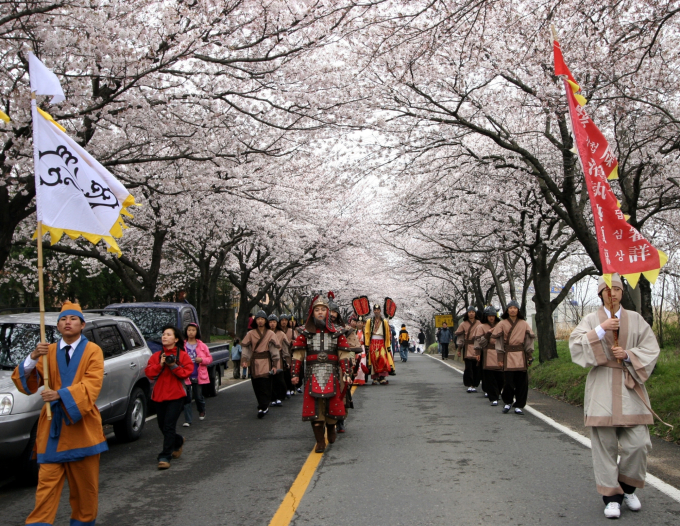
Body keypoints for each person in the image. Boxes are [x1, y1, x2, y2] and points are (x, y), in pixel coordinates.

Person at [569, 274, 659, 519]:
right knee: (604, 446)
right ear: (600, 294)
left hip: (630, 388)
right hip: (602, 386)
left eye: (616, 289)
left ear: (621, 292)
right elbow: (575, 347)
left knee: (638, 443)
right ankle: (611, 497)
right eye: (607, 290)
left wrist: (628, 354)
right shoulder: (590, 319)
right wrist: (600, 330)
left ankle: (627, 488)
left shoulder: (636, 320)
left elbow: (651, 348)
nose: (612, 293)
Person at [12, 301, 108, 526]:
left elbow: (92, 386)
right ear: (57, 326)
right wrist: (33, 356)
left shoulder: (93, 350)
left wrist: (61, 395)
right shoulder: (48, 352)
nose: (68, 322)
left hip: (82, 429)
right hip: (52, 431)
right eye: (63, 319)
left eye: (73, 319)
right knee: (45, 490)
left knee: (85, 492)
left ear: (82, 324)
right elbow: (27, 385)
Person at [291, 294, 352, 452]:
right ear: (312, 312)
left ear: (327, 312)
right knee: (315, 409)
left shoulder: (338, 332)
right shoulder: (305, 332)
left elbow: (344, 354)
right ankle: (319, 441)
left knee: (332, 407)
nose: (319, 312)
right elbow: (298, 355)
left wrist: (346, 373)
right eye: (316, 310)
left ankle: (331, 428)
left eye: (322, 310)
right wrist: (295, 374)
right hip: (312, 373)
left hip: (332, 373)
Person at [145, 325, 194, 469]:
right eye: (163, 334)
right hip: (159, 395)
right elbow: (149, 373)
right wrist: (160, 365)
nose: (164, 337)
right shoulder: (156, 356)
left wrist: (173, 365)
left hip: (176, 395)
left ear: (176, 339)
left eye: (168, 334)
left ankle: (165, 456)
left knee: (169, 425)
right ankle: (178, 441)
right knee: (162, 426)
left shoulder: (182, 355)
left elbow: (187, 372)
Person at [491, 300, 535, 415]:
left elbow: (528, 341)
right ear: (507, 310)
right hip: (508, 355)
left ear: (518, 310)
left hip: (521, 355)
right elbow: (499, 342)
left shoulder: (524, 323)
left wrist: (529, 356)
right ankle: (508, 402)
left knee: (522, 382)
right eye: (510, 308)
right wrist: (500, 358)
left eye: (515, 308)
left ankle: (519, 405)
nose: (513, 310)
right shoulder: (502, 323)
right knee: (508, 382)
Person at [240, 310, 281, 418]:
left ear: (265, 321)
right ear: (255, 321)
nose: (260, 321)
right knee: (256, 385)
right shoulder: (250, 334)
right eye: (258, 319)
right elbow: (246, 348)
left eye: (262, 319)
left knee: (265, 385)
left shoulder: (270, 334)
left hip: (266, 362)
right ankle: (262, 405)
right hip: (254, 363)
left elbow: (274, 350)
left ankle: (264, 406)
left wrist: (275, 364)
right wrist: (245, 360)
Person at [182, 323, 212, 427]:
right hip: (186, 375)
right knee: (187, 398)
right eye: (189, 330)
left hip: (198, 375)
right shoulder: (182, 345)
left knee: (198, 397)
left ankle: (202, 410)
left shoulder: (202, 345)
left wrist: (201, 360)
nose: (191, 332)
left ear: (197, 332)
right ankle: (188, 420)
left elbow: (209, 359)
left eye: (193, 330)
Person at [474, 306, 504, 406]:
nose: (491, 318)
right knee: (489, 376)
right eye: (489, 316)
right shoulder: (481, 327)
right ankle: (493, 397)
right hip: (487, 352)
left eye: (493, 316)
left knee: (500, 376)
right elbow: (478, 342)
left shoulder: (501, 325)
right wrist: (477, 353)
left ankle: (498, 392)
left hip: (500, 351)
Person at [364, 303, 395, 385]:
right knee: (374, 360)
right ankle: (375, 378)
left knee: (382, 359)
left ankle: (382, 377)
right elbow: (367, 333)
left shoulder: (384, 321)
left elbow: (387, 335)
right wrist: (367, 344)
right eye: (375, 310)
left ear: (380, 310)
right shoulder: (369, 321)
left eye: (378, 310)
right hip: (373, 342)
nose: (376, 311)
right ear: (373, 311)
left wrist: (388, 345)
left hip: (381, 342)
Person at [456, 306, 482, 393]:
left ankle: (475, 384)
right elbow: (460, 337)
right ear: (467, 313)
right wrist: (459, 349)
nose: (471, 313)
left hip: (477, 346)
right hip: (467, 347)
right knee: (468, 367)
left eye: (473, 312)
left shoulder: (479, 323)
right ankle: (469, 384)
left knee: (476, 367)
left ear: (475, 313)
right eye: (469, 312)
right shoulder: (463, 324)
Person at [268, 314, 288, 407]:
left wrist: (287, 359)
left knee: (279, 380)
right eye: (271, 322)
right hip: (267, 358)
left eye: (274, 322)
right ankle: (272, 398)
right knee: (270, 380)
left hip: (278, 357)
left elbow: (285, 347)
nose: (272, 324)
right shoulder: (266, 333)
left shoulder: (281, 333)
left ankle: (280, 397)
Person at [279, 314, 295, 396]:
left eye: (285, 320)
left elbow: (297, 341)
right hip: (279, 353)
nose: (284, 322)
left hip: (290, 353)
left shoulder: (291, 330)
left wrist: (293, 342)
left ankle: (290, 387)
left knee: (289, 371)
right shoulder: (277, 331)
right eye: (282, 320)